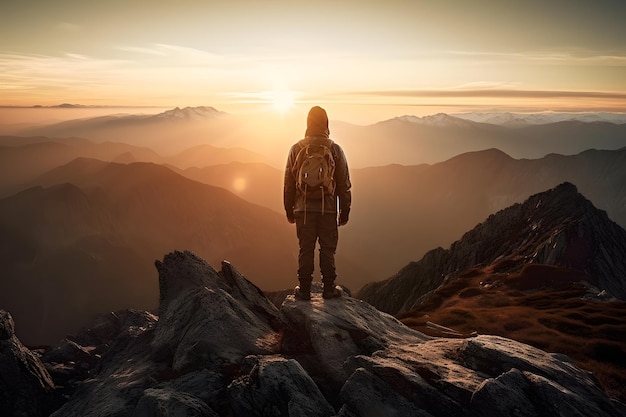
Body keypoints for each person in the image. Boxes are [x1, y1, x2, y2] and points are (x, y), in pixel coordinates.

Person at [284, 106, 352, 300]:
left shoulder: (296, 148)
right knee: (327, 248)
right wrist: (344, 211)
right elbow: (344, 184)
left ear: (308, 123)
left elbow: (289, 183)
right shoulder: (335, 149)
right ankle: (329, 288)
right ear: (326, 123)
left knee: (305, 248)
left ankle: (304, 289)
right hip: (328, 209)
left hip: (303, 209)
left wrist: (289, 209)